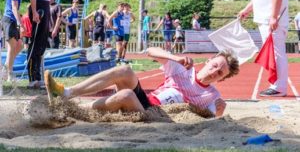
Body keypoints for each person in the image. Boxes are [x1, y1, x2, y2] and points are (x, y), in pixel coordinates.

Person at [44, 47, 239, 117]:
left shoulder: (212, 96)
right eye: (215, 65)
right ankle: (66, 94)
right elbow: (150, 51)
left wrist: (218, 113)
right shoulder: (183, 68)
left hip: (155, 115)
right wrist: (174, 57)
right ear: (209, 61)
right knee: (125, 70)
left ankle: (75, 111)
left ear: (222, 78)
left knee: (126, 95)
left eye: (220, 72)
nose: (215, 72)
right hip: (146, 100)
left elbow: (208, 119)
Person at [238, 0, 289, 97]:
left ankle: (279, 87)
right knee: (274, 53)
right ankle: (277, 85)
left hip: (271, 20)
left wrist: (273, 17)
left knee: (276, 53)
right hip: (267, 20)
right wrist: (246, 10)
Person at [2, 0, 28, 81]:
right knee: (12, 47)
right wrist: (20, 24)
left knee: (20, 45)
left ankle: (5, 70)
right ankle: (8, 74)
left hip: (11, 21)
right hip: (9, 20)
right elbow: (13, 7)